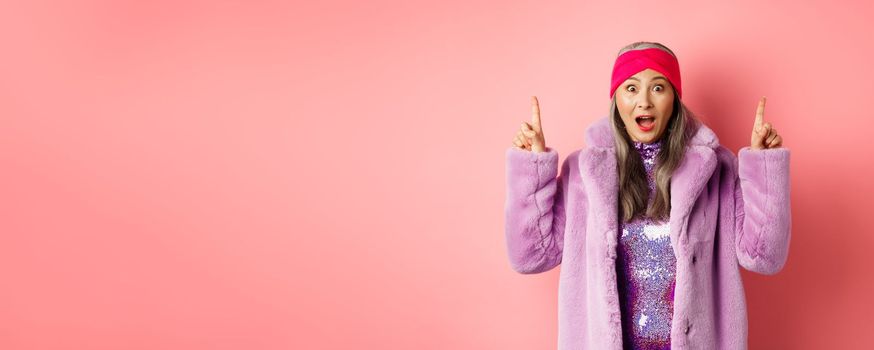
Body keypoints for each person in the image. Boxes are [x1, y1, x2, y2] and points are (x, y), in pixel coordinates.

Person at [504, 41, 791, 350]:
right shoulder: (583, 174)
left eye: (658, 88)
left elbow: (765, 257)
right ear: (616, 100)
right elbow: (530, 256)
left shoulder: (715, 170)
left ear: (674, 99)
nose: (644, 102)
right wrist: (532, 166)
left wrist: (763, 165)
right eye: (631, 88)